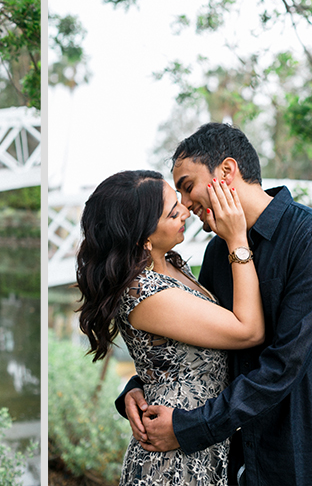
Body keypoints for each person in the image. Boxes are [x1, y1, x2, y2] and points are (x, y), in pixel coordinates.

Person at [119, 123, 312, 486]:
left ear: (227, 171)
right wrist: (137, 388)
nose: (184, 204)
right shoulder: (218, 251)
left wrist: (189, 428)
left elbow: (284, 364)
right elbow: (202, 338)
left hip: (309, 461)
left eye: (187, 186)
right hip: (243, 463)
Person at [76, 170, 264, 486]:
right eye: (173, 212)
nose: (186, 212)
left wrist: (135, 386)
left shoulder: (173, 265)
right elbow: (248, 331)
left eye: (179, 204)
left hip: (195, 435)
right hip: (173, 458)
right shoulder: (144, 292)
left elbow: (174, 354)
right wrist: (237, 240)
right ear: (143, 238)